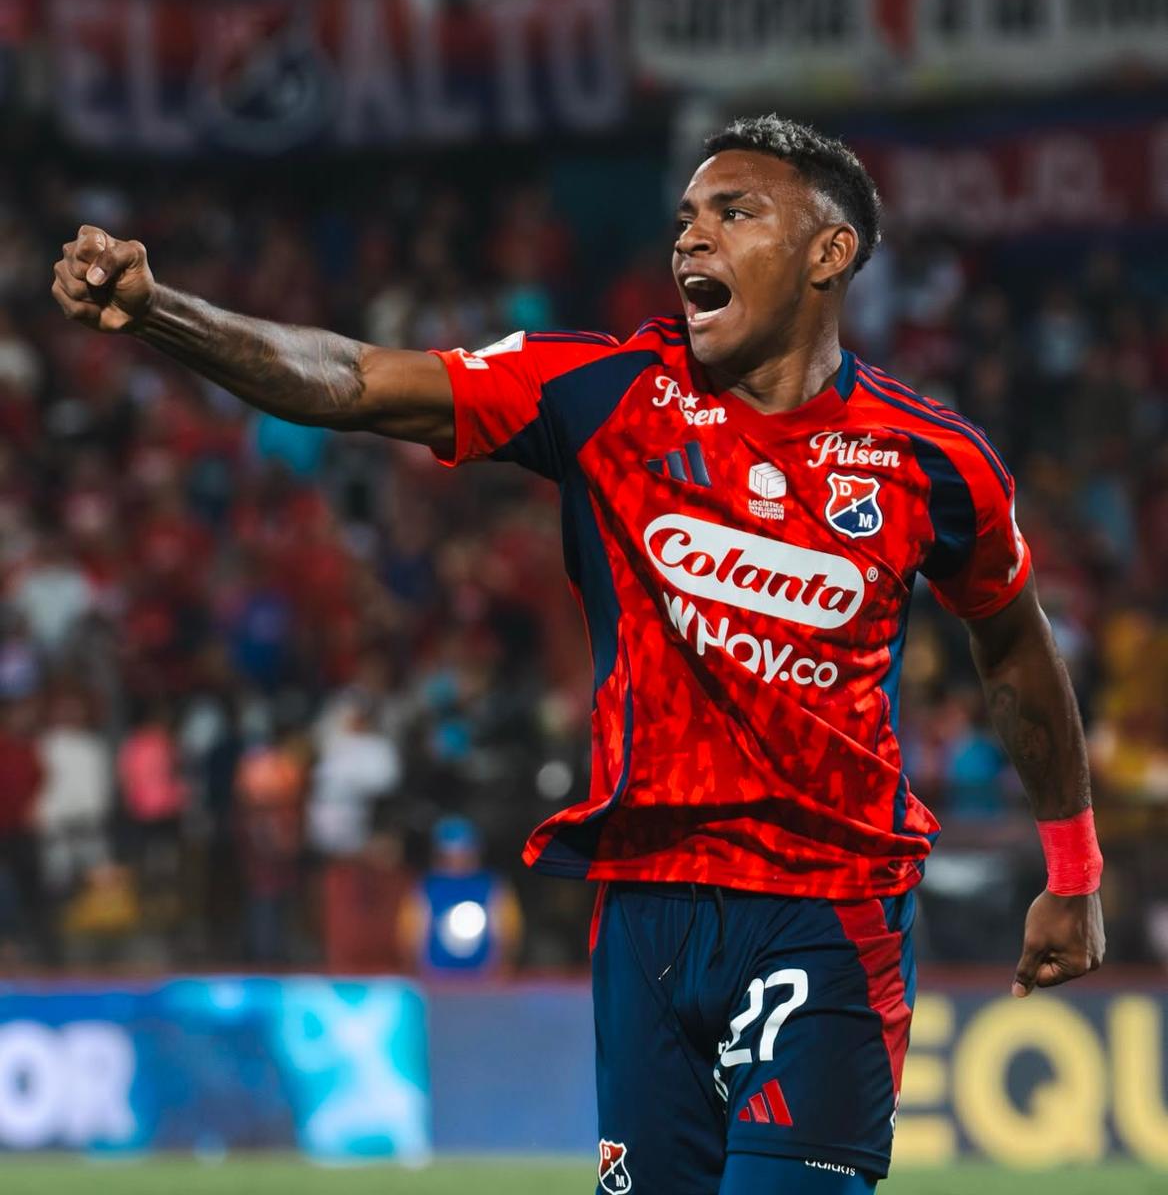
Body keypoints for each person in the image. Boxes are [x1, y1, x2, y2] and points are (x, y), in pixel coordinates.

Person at [52, 115, 1105, 1193]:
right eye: (685, 217)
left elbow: (1014, 648)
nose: (692, 237)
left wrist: (1071, 870)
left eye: (735, 212)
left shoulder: (929, 460)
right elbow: (357, 379)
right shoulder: (610, 393)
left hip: (827, 906)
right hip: (643, 912)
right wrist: (160, 310)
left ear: (828, 253)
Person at [399, 815, 523, 977]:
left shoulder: (493, 886)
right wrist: (415, 971)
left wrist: (503, 969)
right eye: (450, 854)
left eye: (463, 852)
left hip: (483, 978)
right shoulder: (426, 887)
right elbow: (409, 937)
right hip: (435, 977)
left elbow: (509, 936)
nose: (457, 859)